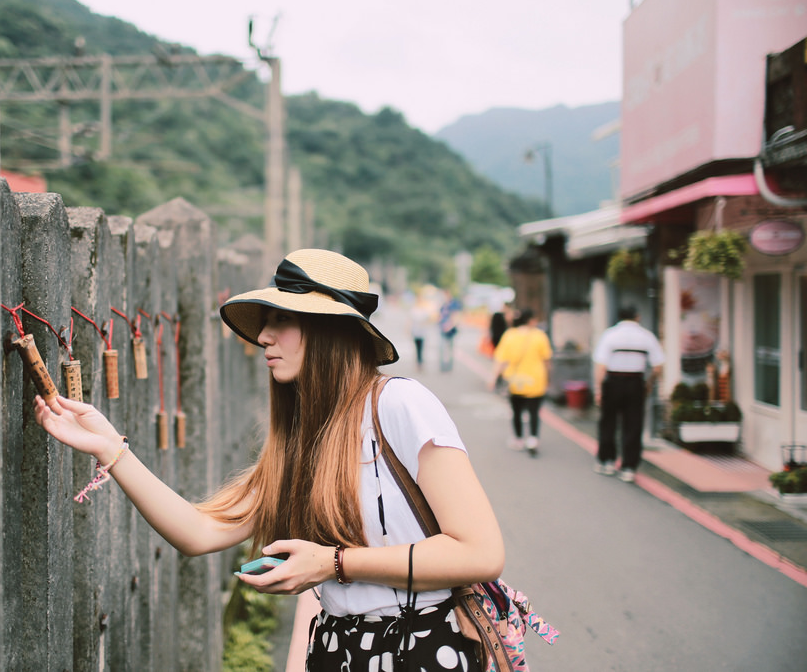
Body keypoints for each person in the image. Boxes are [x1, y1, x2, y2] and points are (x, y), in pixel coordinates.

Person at [34, 249, 504, 671]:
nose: (263, 336)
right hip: (338, 650)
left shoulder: (400, 405)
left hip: (420, 649)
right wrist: (111, 449)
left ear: (328, 330)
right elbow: (200, 532)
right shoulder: (302, 437)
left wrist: (333, 563)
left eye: (281, 320)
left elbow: (481, 553)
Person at [592, 305, 665, 482]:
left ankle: (607, 461)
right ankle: (629, 467)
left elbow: (601, 366)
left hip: (613, 382)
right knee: (633, 424)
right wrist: (649, 383)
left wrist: (598, 389)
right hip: (635, 382)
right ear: (637, 317)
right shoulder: (646, 336)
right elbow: (658, 366)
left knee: (608, 422)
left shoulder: (610, 335)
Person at [488, 309, 553, 456]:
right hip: (536, 380)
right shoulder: (540, 336)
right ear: (530, 320)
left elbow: (500, 360)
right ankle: (533, 439)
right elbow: (547, 360)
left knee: (516, 412)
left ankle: (518, 439)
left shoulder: (510, 335)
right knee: (534, 411)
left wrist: (493, 378)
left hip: (515, 381)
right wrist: (549, 378)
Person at [437, 291, 462, 372]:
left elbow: (456, 316)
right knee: (442, 348)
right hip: (442, 328)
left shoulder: (454, 304)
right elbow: (440, 316)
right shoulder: (443, 305)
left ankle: (449, 366)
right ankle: (443, 366)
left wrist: (450, 326)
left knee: (449, 348)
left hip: (450, 330)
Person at [408, 292, 432, 369]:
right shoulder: (414, 309)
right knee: (417, 347)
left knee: (421, 348)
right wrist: (408, 329)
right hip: (415, 331)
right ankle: (418, 362)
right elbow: (410, 320)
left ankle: (420, 362)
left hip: (422, 332)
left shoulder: (424, 309)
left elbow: (428, 319)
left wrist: (424, 323)